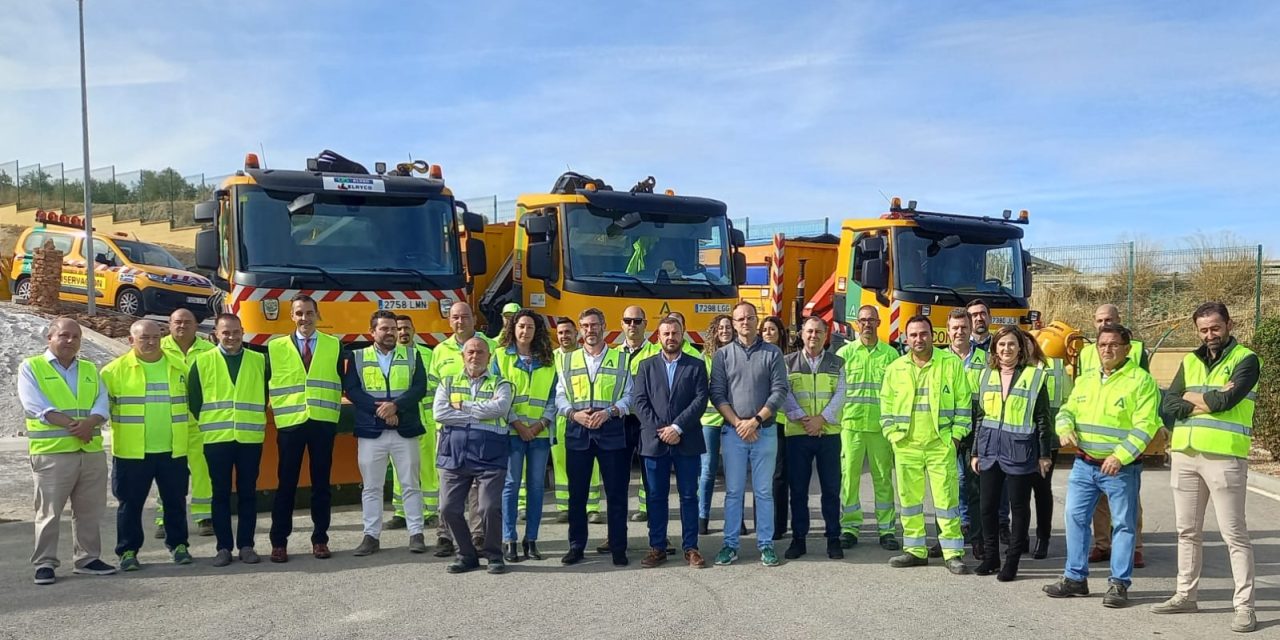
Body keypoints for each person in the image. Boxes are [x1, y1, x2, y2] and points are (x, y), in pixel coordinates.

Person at [1152, 302, 1259, 633]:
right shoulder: (1189, 360)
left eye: (1215, 327)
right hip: (1185, 454)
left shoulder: (1246, 359)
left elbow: (1228, 401)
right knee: (1187, 531)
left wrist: (1192, 398)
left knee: (1234, 535)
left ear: (1229, 324)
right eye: (1203, 330)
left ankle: (1244, 606)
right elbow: (1168, 404)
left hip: (1224, 457)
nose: (1210, 335)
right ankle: (1186, 595)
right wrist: (1207, 401)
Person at [1044, 324, 1161, 608]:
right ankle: (1075, 578)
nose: (1107, 350)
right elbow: (1067, 409)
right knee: (1075, 518)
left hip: (1120, 469)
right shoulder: (1086, 380)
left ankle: (1119, 584)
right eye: (1102, 345)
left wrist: (1120, 455)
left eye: (1113, 344)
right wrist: (1064, 425)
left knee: (1123, 525)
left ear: (1127, 348)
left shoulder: (1141, 381)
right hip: (1085, 464)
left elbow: (1146, 425)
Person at [19, 317, 116, 585]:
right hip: (53, 454)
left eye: (75, 337)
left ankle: (87, 559)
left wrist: (90, 423)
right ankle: (45, 563)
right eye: (63, 335)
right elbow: (36, 406)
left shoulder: (89, 369)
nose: (70, 341)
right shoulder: (32, 367)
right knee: (49, 512)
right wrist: (77, 427)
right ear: (49, 338)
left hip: (89, 453)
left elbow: (101, 404)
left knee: (88, 511)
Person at [880, 315, 972, 575]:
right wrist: (892, 434)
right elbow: (885, 405)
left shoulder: (950, 364)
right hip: (906, 444)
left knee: (947, 501)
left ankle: (952, 553)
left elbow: (964, 404)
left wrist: (955, 437)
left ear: (933, 335)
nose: (918, 339)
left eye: (923, 334)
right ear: (906, 338)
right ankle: (915, 550)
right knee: (909, 502)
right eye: (913, 335)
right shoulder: (896, 368)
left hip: (940, 444)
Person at [102, 320, 193, 570]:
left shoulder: (179, 368)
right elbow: (101, 411)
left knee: (175, 501)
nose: (151, 342)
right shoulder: (113, 372)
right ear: (131, 341)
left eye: (155, 337)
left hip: (172, 449)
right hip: (132, 453)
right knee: (130, 505)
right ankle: (128, 551)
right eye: (144, 338)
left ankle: (179, 545)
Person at [343, 310, 430, 556]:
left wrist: (396, 407)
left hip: (405, 429)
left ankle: (416, 534)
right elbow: (352, 390)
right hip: (371, 431)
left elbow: (419, 388)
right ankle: (371, 536)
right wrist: (381, 410)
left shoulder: (413, 355)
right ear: (372, 332)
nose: (391, 332)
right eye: (385, 328)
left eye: (393, 328)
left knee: (411, 484)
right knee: (371, 487)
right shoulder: (358, 356)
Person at [708, 302, 788, 567]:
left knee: (764, 492)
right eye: (740, 319)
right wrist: (739, 423)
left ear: (757, 321)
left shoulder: (772, 353)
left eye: (750, 318)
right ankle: (730, 545)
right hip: (733, 433)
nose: (745, 322)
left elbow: (779, 391)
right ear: (732, 323)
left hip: (764, 432)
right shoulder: (723, 356)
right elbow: (717, 393)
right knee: (733, 492)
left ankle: (766, 545)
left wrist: (754, 421)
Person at [970, 327, 1052, 581]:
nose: (1006, 349)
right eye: (1001, 345)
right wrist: (975, 452)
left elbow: (1042, 419)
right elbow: (980, 417)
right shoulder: (986, 376)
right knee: (987, 507)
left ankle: (1012, 561)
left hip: (1020, 451)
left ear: (1020, 348)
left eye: (1011, 345)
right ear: (994, 349)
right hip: (989, 450)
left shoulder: (1034, 377)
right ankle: (991, 556)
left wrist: (1044, 454)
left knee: (1018, 508)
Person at [266, 295, 343, 562]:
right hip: (290, 425)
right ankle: (279, 542)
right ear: (292, 316)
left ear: (317, 315)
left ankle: (320, 539)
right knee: (286, 485)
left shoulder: (334, 345)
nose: (304, 318)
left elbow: (344, 382)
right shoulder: (275, 348)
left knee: (321, 485)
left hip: (322, 422)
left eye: (309, 313)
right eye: (299, 313)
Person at [188, 314, 267, 567]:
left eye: (235, 332)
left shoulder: (259, 361)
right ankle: (223, 547)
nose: (231, 337)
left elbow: (264, 394)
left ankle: (246, 546)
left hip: (249, 438)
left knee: (248, 494)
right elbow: (194, 399)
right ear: (215, 334)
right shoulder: (202, 362)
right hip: (216, 439)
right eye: (226, 333)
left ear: (243, 332)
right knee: (219, 495)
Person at [556, 307, 633, 567]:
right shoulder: (567, 360)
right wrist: (572, 414)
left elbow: (630, 396)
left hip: (611, 431)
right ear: (580, 329)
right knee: (576, 495)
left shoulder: (621, 359)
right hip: (578, 431)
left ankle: (618, 547)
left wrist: (611, 411)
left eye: (595, 325)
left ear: (604, 326)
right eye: (586, 326)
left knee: (616, 493)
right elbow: (559, 396)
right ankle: (576, 546)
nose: (590, 330)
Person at [633, 316, 710, 568]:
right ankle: (657, 547)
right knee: (656, 496)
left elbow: (700, 400)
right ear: (658, 337)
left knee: (688, 495)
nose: (670, 337)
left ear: (683, 334)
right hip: (654, 442)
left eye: (675, 333)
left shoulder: (696, 365)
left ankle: (691, 547)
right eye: (666, 333)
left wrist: (677, 427)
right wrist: (661, 429)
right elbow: (639, 401)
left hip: (686, 439)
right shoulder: (646, 366)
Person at [434, 337, 515, 574]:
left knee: (489, 507)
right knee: (448, 508)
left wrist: (463, 406)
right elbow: (440, 413)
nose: (475, 356)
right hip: (453, 454)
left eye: (480, 352)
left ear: (489, 357)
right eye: (470, 352)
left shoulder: (502, 383)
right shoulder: (447, 382)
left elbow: (500, 408)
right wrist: (478, 413)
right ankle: (466, 555)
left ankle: (493, 555)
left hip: (490, 454)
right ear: (463, 356)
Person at [1080, 304, 1152, 568]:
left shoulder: (1137, 350)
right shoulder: (1087, 353)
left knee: (1129, 504)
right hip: (1094, 447)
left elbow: (1143, 389)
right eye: (1099, 320)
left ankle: (1135, 548)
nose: (1103, 323)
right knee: (1099, 502)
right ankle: (1102, 545)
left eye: (1108, 319)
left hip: (1124, 447)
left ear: (1120, 320)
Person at [427, 302, 495, 557]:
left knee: (478, 485)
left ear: (474, 318)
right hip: (447, 430)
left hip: (481, 429)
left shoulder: (490, 346)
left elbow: (494, 386)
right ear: (448, 320)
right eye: (454, 317)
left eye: (464, 316)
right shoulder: (439, 351)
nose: (459, 321)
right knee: (447, 484)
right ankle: (445, 536)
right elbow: (435, 392)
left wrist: (466, 409)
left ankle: (477, 535)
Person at [835, 305, 900, 550]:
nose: (867, 324)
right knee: (849, 478)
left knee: (883, 479)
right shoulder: (844, 353)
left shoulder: (890, 355)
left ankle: (887, 530)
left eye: (872, 320)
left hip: (880, 427)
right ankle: (850, 527)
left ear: (879, 323)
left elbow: (897, 392)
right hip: (850, 425)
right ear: (856, 324)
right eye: (863, 320)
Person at [780, 317, 847, 560]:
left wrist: (822, 419)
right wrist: (805, 420)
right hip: (798, 435)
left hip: (829, 434)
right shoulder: (787, 362)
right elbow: (784, 393)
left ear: (826, 334)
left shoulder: (837, 363)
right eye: (809, 331)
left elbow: (841, 394)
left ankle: (833, 539)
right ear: (801, 334)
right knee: (798, 490)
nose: (813, 336)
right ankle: (799, 540)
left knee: (831, 489)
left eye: (818, 331)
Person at [495, 310, 557, 562]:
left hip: (540, 434)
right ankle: (509, 539)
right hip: (511, 431)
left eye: (530, 327)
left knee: (535, 488)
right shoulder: (499, 357)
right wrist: (518, 424)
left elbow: (555, 396)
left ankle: (531, 540)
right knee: (510, 486)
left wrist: (541, 424)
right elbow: (495, 393)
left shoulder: (548, 360)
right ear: (513, 328)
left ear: (537, 331)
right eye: (521, 326)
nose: (525, 331)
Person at [157, 307, 215, 538]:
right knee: (168, 474)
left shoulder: (209, 351)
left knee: (203, 472)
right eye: (177, 322)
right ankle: (165, 518)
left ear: (196, 325)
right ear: (169, 324)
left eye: (187, 322)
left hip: (200, 423)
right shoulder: (157, 349)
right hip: (169, 424)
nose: (182, 326)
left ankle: (204, 516)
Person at [549, 317, 605, 525]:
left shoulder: (585, 356)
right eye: (561, 332)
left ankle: (592, 507)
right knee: (560, 464)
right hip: (561, 417)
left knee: (592, 465)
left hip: (586, 416)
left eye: (568, 332)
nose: (564, 336)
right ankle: (564, 507)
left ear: (577, 334)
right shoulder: (551, 358)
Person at [387, 315, 439, 531]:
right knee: (401, 468)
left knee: (429, 468)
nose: (402, 332)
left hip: (426, 421)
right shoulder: (387, 357)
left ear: (414, 329)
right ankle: (401, 512)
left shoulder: (427, 355)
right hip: (400, 422)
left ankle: (431, 511)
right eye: (398, 329)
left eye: (406, 328)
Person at [947, 309, 991, 559]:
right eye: (955, 328)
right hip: (946, 431)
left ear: (970, 328)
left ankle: (977, 539)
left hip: (976, 430)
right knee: (948, 487)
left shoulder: (985, 360)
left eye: (964, 327)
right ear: (948, 329)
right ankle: (949, 536)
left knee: (974, 487)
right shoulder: (941, 359)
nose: (959, 332)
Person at [619, 305, 657, 525]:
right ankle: (616, 535)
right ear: (622, 324)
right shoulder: (612, 354)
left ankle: (656, 531)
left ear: (646, 324)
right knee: (617, 479)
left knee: (651, 474)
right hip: (620, 421)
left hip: (646, 422)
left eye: (637, 321)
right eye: (628, 320)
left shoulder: (656, 353)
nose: (632, 325)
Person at [698, 314, 734, 535]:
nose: (724, 330)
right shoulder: (705, 358)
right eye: (720, 327)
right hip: (709, 420)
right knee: (708, 470)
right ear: (714, 331)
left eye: (728, 327)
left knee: (734, 472)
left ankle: (735, 518)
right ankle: (703, 517)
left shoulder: (740, 354)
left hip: (734, 420)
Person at [759, 315, 792, 541]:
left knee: (780, 476)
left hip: (782, 423)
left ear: (780, 333)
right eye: (765, 330)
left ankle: (779, 525)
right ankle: (763, 523)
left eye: (772, 329)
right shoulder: (756, 357)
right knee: (761, 478)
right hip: (759, 421)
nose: (768, 333)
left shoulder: (789, 359)